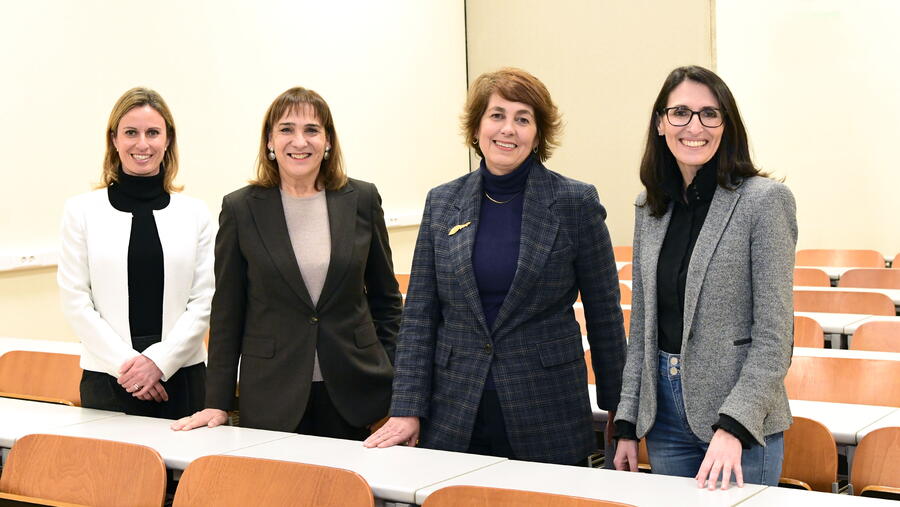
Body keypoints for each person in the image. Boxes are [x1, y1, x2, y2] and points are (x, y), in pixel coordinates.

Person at [364, 68, 626, 466]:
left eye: (523, 118)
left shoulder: (575, 202)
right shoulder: (443, 202)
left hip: (547, 409)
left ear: (538, 134)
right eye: (497, 115)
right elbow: (419, 316)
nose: (508, 129)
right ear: (477, 127)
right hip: (454, 408)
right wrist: (406, 407)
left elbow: (604, 316)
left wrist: (621, 415)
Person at [171, 87, 401, 439]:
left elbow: (387, 302)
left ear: (327, 141)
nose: (300, 141)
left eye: (312, 130)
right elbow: (228, 312)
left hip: (358, 393)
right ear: (270, 141)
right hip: (272, 394)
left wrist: (398, 381)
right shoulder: (240, 208)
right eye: (286, 129)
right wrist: (217, 401)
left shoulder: (362, 199)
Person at [612, 65, 797, 489]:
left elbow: (775, 336)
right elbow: (643, 328)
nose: (694, 127)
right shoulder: (650, 207)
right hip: (663, 416)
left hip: (740, 419)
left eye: (709, 114)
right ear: (660, 123)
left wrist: (735, 425)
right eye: (680, 112)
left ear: (726, 125)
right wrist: (627, 422)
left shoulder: (764, 202)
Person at [58, 87, 213, 418]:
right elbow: (76, 301)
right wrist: (129, 367)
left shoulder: (196, 213)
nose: (142, 144)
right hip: (109, 377)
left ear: (168, 140)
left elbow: (204, 300)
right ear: (114, 139)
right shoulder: (81, 212)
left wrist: (159, 362)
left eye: (153, 133)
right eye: (131, 132)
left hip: (182, 376)